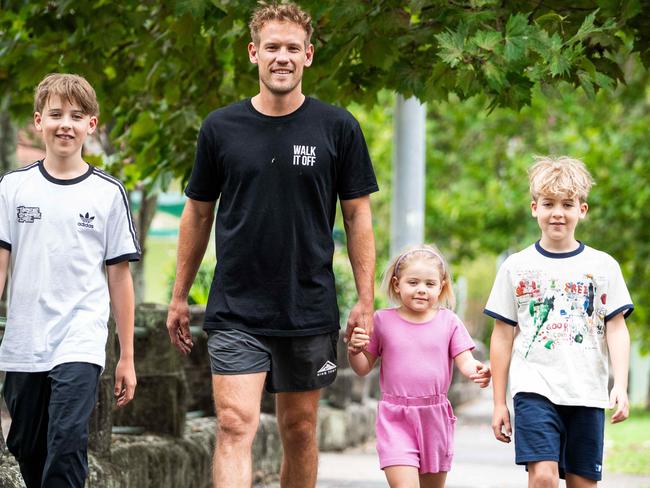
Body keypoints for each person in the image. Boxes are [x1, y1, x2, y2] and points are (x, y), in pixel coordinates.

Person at [165, 2, 378, 487]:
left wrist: (366, 301)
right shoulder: (220, 128)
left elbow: (358, 214)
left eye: (291, 48)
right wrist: (180, 295)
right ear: (253, 53)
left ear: (308, 56)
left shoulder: (337, 126)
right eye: (272, 48)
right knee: (235, 423)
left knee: (299, 429)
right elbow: (197, 212)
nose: (281, 57)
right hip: (237, 305)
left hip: (308, 303)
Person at [0, 73, 140, 487]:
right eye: (57, 114)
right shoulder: (12, 188)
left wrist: (127, 355)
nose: (66, 124)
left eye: (77, 116)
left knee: (67, 442)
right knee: (26, 444)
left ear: (91, 125)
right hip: (25, 340)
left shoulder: (108, 193)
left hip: (81, 337)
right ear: (38, 121)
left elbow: (119, 278)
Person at [485, 156, 632, 487]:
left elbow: (617, 327)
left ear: (582, 210)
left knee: (582, 483)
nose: (558, 213)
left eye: (567, 204)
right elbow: (502, 335)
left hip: (587, 392)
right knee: (544, 478)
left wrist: (619, 385)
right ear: (534, 208)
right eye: (549, 203)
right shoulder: (516, 266)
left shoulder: (603, 266)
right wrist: (498, 403)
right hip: (534, 388)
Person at [348, 244, 491, 488]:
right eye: (413, 283)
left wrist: (476, 371)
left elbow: (465, 360)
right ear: (396, 284)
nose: (421, 290)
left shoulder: (449, 322)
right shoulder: (382, 321)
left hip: (435, 418)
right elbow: (362, 368)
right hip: (395, 417)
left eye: (429, 284)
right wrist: (354, 350)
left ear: (442, 286)